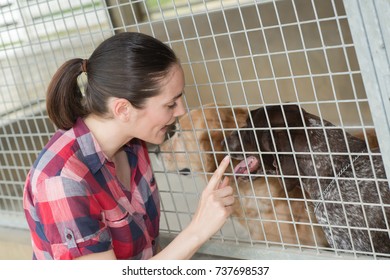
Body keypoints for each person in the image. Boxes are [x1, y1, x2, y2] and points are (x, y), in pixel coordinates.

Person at [23, 32, 234, 260]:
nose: (181, 111)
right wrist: (198, 230)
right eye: (171, 103)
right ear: (123, 110)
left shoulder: (134, 143)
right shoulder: (63, 182)